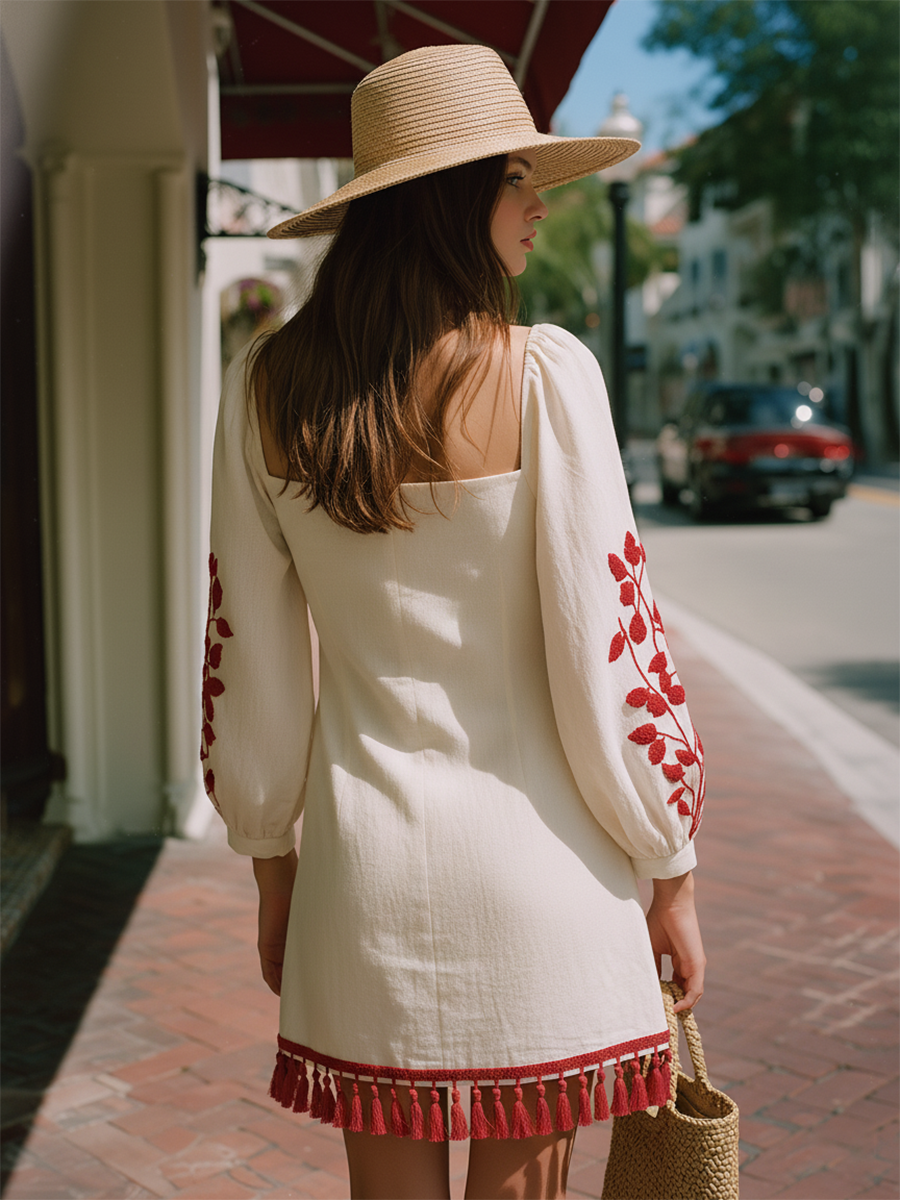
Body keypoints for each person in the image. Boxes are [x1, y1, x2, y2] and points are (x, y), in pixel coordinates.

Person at [202, 43, 706, 1200]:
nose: (538, 204)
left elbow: (251, 666)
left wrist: (273, 873)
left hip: (363, 878)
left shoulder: (265, 389)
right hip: (550, 876)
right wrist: (669, 866)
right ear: (444, 200)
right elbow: (613, 655)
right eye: (513, 178)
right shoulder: (546, 379)